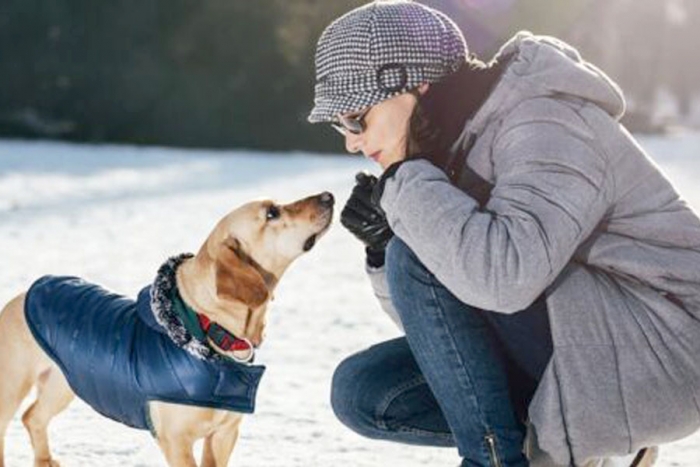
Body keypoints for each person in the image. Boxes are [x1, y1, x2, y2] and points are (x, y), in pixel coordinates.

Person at [307, 1, 700, 466]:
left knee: (423, 253)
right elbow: (450, 334)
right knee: (363, 390)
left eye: (357, 119)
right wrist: (384, 245)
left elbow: (505, 280)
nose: (352, 140)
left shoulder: (544, 122)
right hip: (589, 344)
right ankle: (594, 447)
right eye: (340, 124)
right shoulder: (452, 147)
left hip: (665, 353)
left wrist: (408, 186)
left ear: (416, 85)